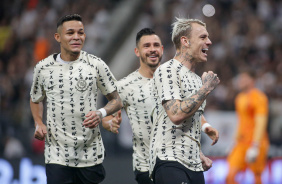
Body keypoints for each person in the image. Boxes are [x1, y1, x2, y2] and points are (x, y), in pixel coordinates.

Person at [102, 28, 219, 184]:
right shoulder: (125, 86)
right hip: (146, 165)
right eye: (147, 46)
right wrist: (109, 123)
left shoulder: (172, 76)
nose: (152, 50)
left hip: (174, 157)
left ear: (162, 49)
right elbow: (107, 112)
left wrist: (205, 127)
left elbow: (185, 107)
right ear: (137, 51)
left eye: (156, 45)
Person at [29, 14, 122, 184]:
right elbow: (35, 98)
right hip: (57, 154)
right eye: (70, 33)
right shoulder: (43, 68)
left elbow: (116, 100)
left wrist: (101, 114)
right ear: (58, 37)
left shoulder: (96, 64)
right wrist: (38, 122)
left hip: (90, 153)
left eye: (81, 33)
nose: (76, 37)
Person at [149, 18, 220, 184]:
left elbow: (191, 114)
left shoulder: (196, 79)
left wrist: (204, 129)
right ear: (185, 41)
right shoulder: (167, 70)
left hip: (194, 162)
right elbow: (176, 114)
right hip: (170, 159)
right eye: (203, 37)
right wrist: (206, 89)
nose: (209, 42)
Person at [226, 69, 269, 184]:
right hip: (241, 142)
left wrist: (256, 145)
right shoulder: (239, 98)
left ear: (252, 80)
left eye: (244, 78)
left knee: (257, 178)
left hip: (255, 143)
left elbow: (261, 122)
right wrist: (234, 142)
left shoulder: (259, 97)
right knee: (230, 177)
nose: (240, 81)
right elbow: (241, 122)